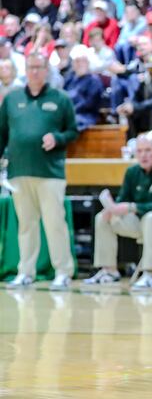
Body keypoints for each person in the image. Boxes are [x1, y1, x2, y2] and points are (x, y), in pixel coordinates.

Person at [1, 53, 78, 290]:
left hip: (50, 173)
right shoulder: (12, 99)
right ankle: (26, 271)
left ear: (47, 70)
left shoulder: (61, 99)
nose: (34, 71)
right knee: (26, 224)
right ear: (25, 70)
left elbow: (73, 131)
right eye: (31, 67)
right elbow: (2, 133)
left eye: (39, 67)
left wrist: (57, 137)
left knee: (55, 223)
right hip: (18, 172)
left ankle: (63, 271)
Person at [83, 135, 152, 286]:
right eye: (140, 151)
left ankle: (150, 273)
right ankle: (109, 270)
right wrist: (112, 208)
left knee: (151, 217)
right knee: (103, 217)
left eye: (148, 150)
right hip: (140, 221)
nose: (143, 155)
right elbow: (123, 198)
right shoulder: (132, 171)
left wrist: (131, 207)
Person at [63, 44, 103, 131]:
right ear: (72, 63)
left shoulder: (94, 81)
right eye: (77, 61)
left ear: (88, 62)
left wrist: (69, 112)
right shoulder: (69, 79)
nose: (80, 64)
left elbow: (89, 104)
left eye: (83, 61)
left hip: (85, 116)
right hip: (68, 114)